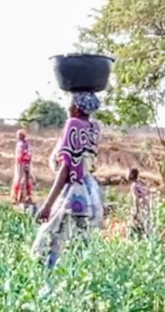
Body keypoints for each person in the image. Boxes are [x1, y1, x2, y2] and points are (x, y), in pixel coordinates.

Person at [33, 92, 105, 267]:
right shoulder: (94, 127)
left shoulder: (72, 124)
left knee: (50, 241)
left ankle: (49, 283)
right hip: (91, 193)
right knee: (80, 243)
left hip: (74, 194)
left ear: (75, 107)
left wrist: (47, 206)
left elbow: (66, 168)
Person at [128, 168, 154, 239]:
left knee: (135, 223)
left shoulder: (134, 186)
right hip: (146, 205)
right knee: (146, 223)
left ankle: (133, 238)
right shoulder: (141, 183)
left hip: (140, 206)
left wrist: (136, 211)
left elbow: (135, 198)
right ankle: (147, 236)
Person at [12, 130, 34, 207]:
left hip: (22, 163)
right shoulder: (23, 144)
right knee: (23, 180)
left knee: (21, 179)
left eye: (18, 135)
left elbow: (26, 154)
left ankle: (20, 196)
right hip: (22, 163)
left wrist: (26, 162)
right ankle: (21, 196)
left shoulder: (23, 144)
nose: (17, 137)